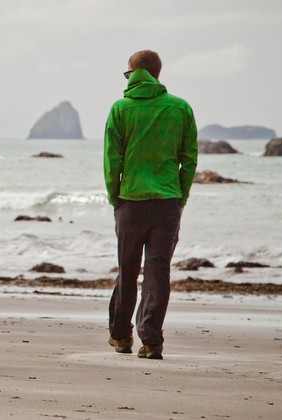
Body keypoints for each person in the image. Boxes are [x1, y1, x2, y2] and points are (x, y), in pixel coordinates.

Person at [103, 50, 198, 359]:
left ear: (133, 73)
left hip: (130, 201)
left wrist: (114, 196)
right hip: (167, 203)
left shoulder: (120, 109)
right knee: (158, 274)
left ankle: (120, 336)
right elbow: (189, 159)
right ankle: (152, 341)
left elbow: (111, 160)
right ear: (158, 72)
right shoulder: (181, 108)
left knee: (127, 272)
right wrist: (181, 198)